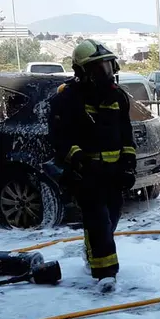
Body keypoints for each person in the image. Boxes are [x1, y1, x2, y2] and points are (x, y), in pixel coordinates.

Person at [49, 39, 136, 293]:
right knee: (98, 220)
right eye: (99, 68)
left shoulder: (117, 97)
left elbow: (126, 134)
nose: (106, 73)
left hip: (113, 173)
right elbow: (60, 138)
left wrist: (128, 165)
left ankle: (92, 253)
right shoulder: (67, 99)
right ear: (82, 71)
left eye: (108, 66)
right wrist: (80, 161)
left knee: (112, 216)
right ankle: (105, 274)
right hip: (86, 174)